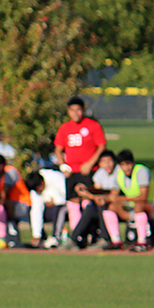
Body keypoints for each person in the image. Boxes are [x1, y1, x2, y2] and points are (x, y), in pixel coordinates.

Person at [53, 96, 106, 236]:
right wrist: (63, 165)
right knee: (72, 202)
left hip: (87, 171)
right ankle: (77, 234)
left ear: (83, 110)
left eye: (78, 110)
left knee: (87, 200)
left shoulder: (92, 125)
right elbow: (58, 149)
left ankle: (91, 232)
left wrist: (90, 163)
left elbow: (101, 146)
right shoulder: (65, 128)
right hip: (72, 172)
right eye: (72, 110)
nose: (75, 113)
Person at [63, 149, 121, 250]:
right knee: (91, 207)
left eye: (109, 161)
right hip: (104, 203)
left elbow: (114, 195)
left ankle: (105, 239)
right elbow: (97, 191)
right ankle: (74, 239)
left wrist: (90, 196)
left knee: (100, 205)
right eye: (104, 162)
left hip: (118, 204)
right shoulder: (100, 173)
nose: (107, 164)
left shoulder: (119, 172)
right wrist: (86, 191)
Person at [114, 149, 154, 252]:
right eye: (123, 165)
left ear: (132, 163)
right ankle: (116, 241)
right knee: (112, 206)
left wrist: (120, 198)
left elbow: (143, 197)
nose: (126, 168)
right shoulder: (119, 174)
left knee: (138, 206)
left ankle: (142, 242)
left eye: (128, 164)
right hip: (135, 208)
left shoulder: (141, 171)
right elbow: (113, 195)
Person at [25, 169, 67, 249]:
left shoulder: (57, 177)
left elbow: (67, 197)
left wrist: (55, 201)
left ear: (42, 182)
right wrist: (36, 235)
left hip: (63, 207)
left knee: (58, 208)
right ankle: (42, 239)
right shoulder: (35, 190)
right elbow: (36, 209)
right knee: (30, 209)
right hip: (47, 210)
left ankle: (55, 237)